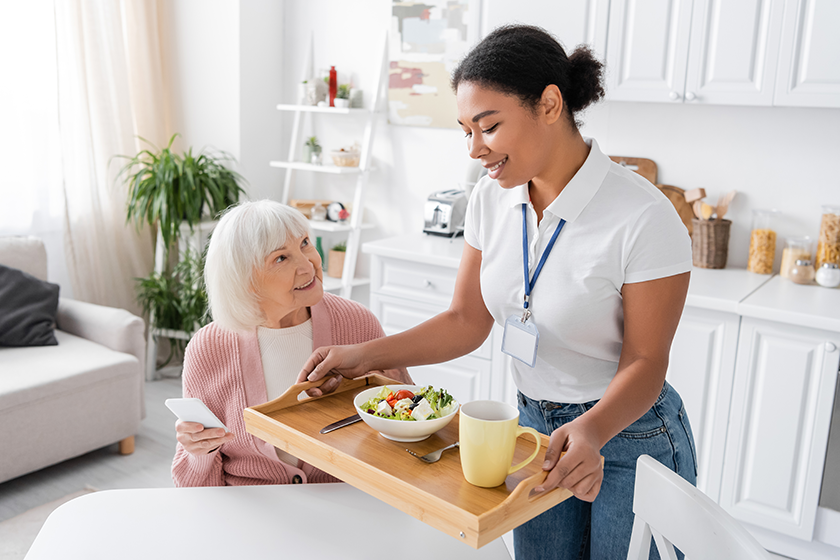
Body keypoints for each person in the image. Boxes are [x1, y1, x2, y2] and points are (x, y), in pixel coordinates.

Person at [298, 24, 696, 559]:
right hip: (532, 427)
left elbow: (647, 362)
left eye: (488, 127)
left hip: (631, 435)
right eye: (465, 131)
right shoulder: (490, 199)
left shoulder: (644, 216)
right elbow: (466, 319)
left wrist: (593, 429)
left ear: (550, 104)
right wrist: (359, 358)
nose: (474, 149)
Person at [172, 200, 411, 487]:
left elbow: (410, 434)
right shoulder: (208, 348)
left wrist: (398, 395)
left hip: (345, 505)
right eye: (281, 258)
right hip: (251, 513)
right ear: (246, 280)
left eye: (305, 243)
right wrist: (199, 452)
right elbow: (193, 489)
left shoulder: (358, 324)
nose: (307, 264)